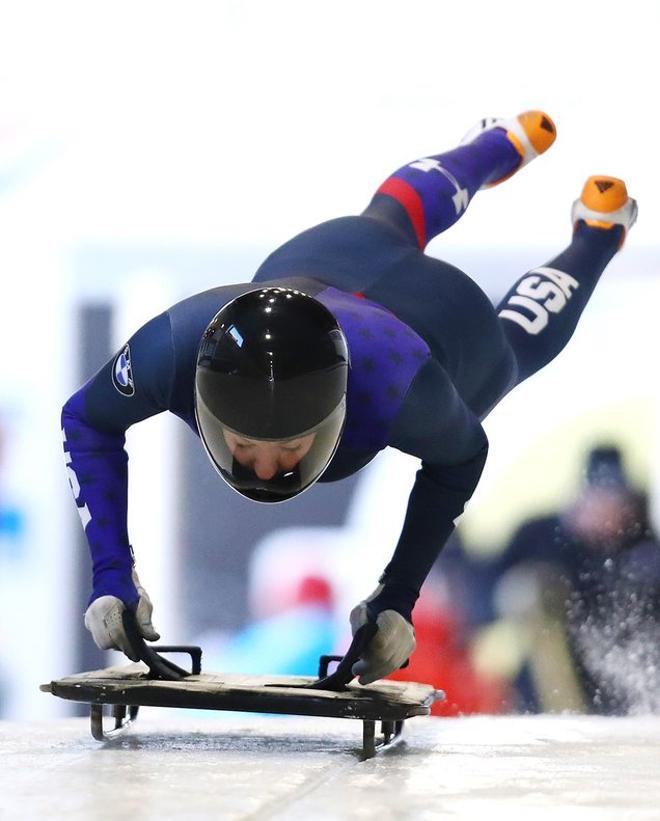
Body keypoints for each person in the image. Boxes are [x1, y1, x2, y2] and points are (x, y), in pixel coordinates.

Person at [62, 110, 638, 685]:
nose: (264, 470)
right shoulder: (175, 346)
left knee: (507, 358)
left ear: (336, 413)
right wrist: (113, 574)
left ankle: (596, 237)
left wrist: (397, 595)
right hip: (318, 265)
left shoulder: (407, 391)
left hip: (435, 317)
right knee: (388, 218)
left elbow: (461, 456)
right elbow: (84, 419)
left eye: (288, 447)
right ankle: (496, 146)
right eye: (246, 443)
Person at [494, 445, 660, 713]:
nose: (606, 513)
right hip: (543, 695)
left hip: (624, 702)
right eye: (599, 500)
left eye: (615, 502)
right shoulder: (539, 537)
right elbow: (482, 597)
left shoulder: (645, 549)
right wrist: (518, 590)